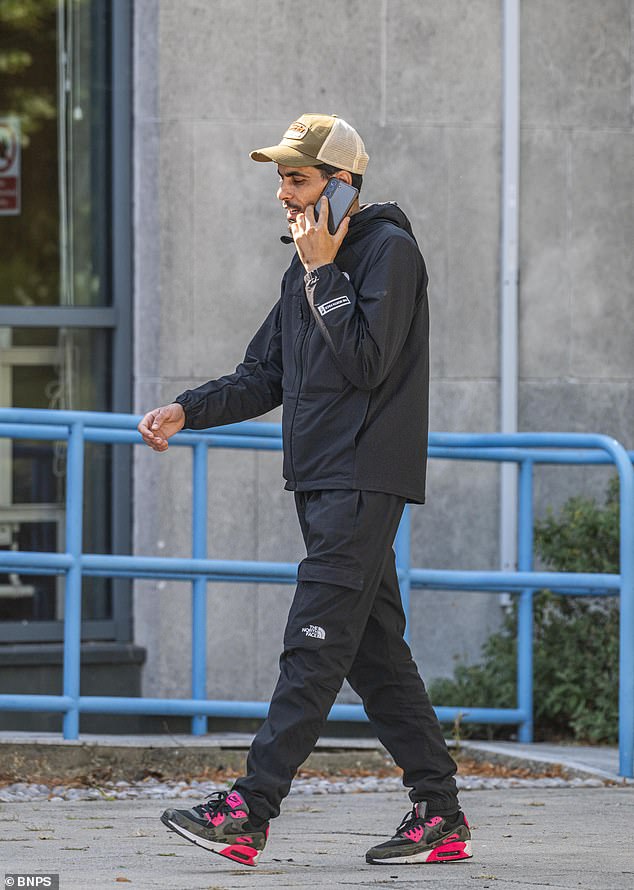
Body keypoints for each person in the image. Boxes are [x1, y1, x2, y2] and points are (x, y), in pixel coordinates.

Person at [138, 113, 472, 868]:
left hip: (363, 480)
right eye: (281, 180)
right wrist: (188, 408)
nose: (284, 196)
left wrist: (323, 273)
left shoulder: (390, 254)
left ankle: (249, 811)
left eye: (298, 180)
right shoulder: (304, 267)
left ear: (341, 185)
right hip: (322, 482)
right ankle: (441, 813)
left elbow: (365, 362)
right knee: (374, 652)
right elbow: (266, 373)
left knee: (311, 646)